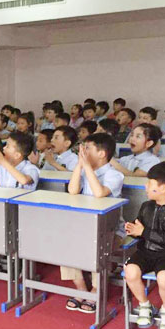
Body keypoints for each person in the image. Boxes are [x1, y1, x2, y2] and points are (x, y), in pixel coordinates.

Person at [124, 161, 165, 329]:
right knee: (130, 272)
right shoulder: (146, 206)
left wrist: (144, 231)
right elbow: (140, 229)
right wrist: (134, 231)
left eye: (150, 183)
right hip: (145, 251)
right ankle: (145, 305)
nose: (146, 187)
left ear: (164, 188)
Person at [64, 133, 124, 313]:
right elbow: (73, 190)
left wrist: (87, 167)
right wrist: (79, 166)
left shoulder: (115, 175)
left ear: (102, 153)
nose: (83, 152)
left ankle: (96, 290)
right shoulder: (84, 170)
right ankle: (81, 288)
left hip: (110, 229)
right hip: (84, 225)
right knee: (64, 242)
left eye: (88, 148)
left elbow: (99, 193)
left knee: (98, 246)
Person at [0, 132, 39, 275]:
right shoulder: (3, 167)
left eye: (8, 146)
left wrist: (2, 162)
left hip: (22, 216)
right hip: (3, 212)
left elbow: (23, 180)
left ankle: (17, 267)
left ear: (17, 155)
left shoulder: (31, 168)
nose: (3, 149)